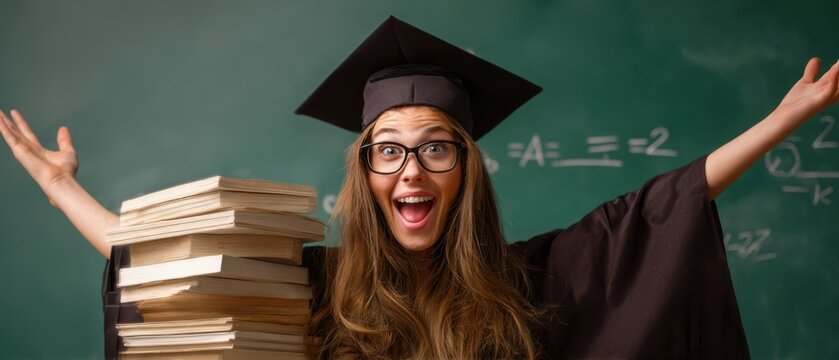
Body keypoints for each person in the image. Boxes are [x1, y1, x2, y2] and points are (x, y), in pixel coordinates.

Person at [1, 16, 837, 359]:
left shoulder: (525, 286)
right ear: (364, 176)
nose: (412, 169)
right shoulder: (315, 292)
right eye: (389, 152)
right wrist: (61, 191)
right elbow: (164, 269)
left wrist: (783, 119)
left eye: (438, 149)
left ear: (466, 172)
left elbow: (655, 213)